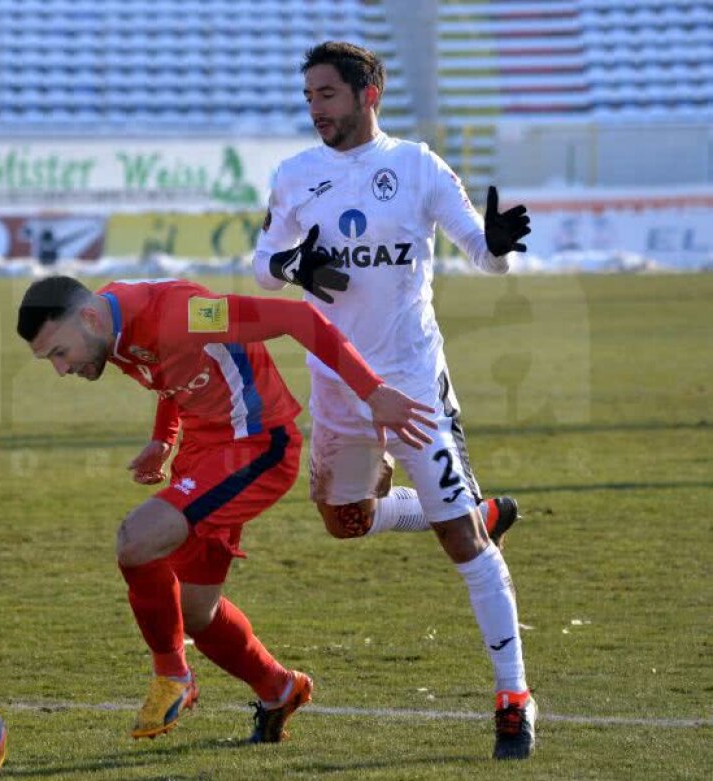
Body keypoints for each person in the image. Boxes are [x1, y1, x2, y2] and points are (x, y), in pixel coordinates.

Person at [252, 41, 536, 760]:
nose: (315, 109)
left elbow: (485, 253)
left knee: (460, 542)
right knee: (344, 522)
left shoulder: (416, 166)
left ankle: (514, 698)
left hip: (411, 385)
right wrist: (292, 264)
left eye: (327, 95)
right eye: (309, 96)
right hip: (339, 387)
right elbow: (261, 264)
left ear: (367, 92)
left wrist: (501, 245)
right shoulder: (295, 176)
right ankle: (480, 506)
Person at [18, 275, 434, 742]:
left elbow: (296, 318)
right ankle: (280, 689)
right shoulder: (108, 329)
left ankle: (172, 675)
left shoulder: (187, 314)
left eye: (58, 353)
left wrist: (373, 391)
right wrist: (163, 439)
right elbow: (171, 372)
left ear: (89, 318)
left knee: (136, 542)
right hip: (204, 452)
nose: (60, 368)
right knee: (197, 614)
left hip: (255, 446)